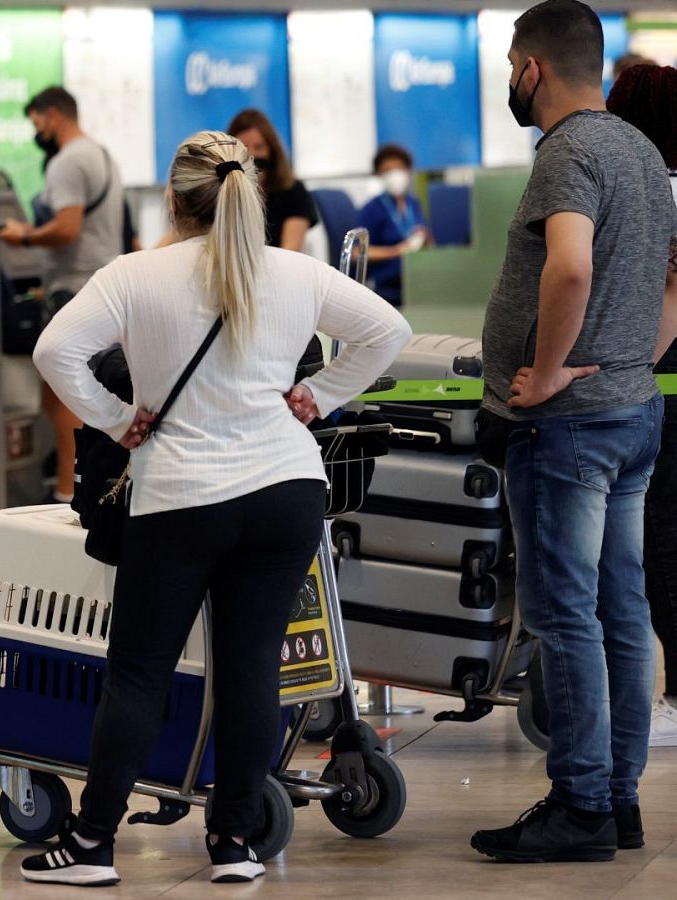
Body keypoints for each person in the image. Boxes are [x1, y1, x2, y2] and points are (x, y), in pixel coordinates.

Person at [22, 131, 409, 888]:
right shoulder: (296, 273)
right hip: (287, 494)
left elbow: (53, 352)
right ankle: (234, 842)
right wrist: (320, 395)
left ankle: (93, 845)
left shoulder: (134, 277)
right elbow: (386, 331)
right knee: (251, 669)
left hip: (180, 498)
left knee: (139, 673)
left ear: (172, 199)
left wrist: (113, 417)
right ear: (250, 197)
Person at [470, 0, 677, 863]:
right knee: (622, 611)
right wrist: (628, 358)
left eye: (513, 63)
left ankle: (581, 803)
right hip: (633, 414)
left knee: (567, 616)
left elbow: (571, 264)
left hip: (571, 426)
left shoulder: (570, 152)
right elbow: (669, 287)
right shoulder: (643, 152)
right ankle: (618, 798)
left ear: (533, 69)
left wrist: (550, 371)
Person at [0, 86, 123, 506]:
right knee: (82, 388)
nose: (38, 131)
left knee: (63, 393)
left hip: (74, 286)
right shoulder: (101, 154)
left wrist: (24, 235)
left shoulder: (67, 162)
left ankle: (70, 489)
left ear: (52, 115)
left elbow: (67, 228)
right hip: (101, 283)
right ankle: (83, 482)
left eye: (37, 122)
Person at [607, 61, 677, 749]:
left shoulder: (657, 190)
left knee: (661, 542)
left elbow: (666, 300)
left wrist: (632, 367)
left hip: (660, 386)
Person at [228, 109, 318, 252]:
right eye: (243, 148)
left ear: (272, 151)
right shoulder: (219, 193)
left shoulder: (293, 191)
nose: (251, 155)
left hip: (278, 271)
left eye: (259, 147)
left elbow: (290, 252)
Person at [357, 144, 433, 307]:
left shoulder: (413, 203)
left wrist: (425, 238)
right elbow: (358, 253)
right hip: (390, 284)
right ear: (379, 174)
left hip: (418, 275)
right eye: (387, 170)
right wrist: (396, 251)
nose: (395, 175)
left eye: (399, 168)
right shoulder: (372, 208)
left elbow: (427, 239)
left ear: (408, 171)